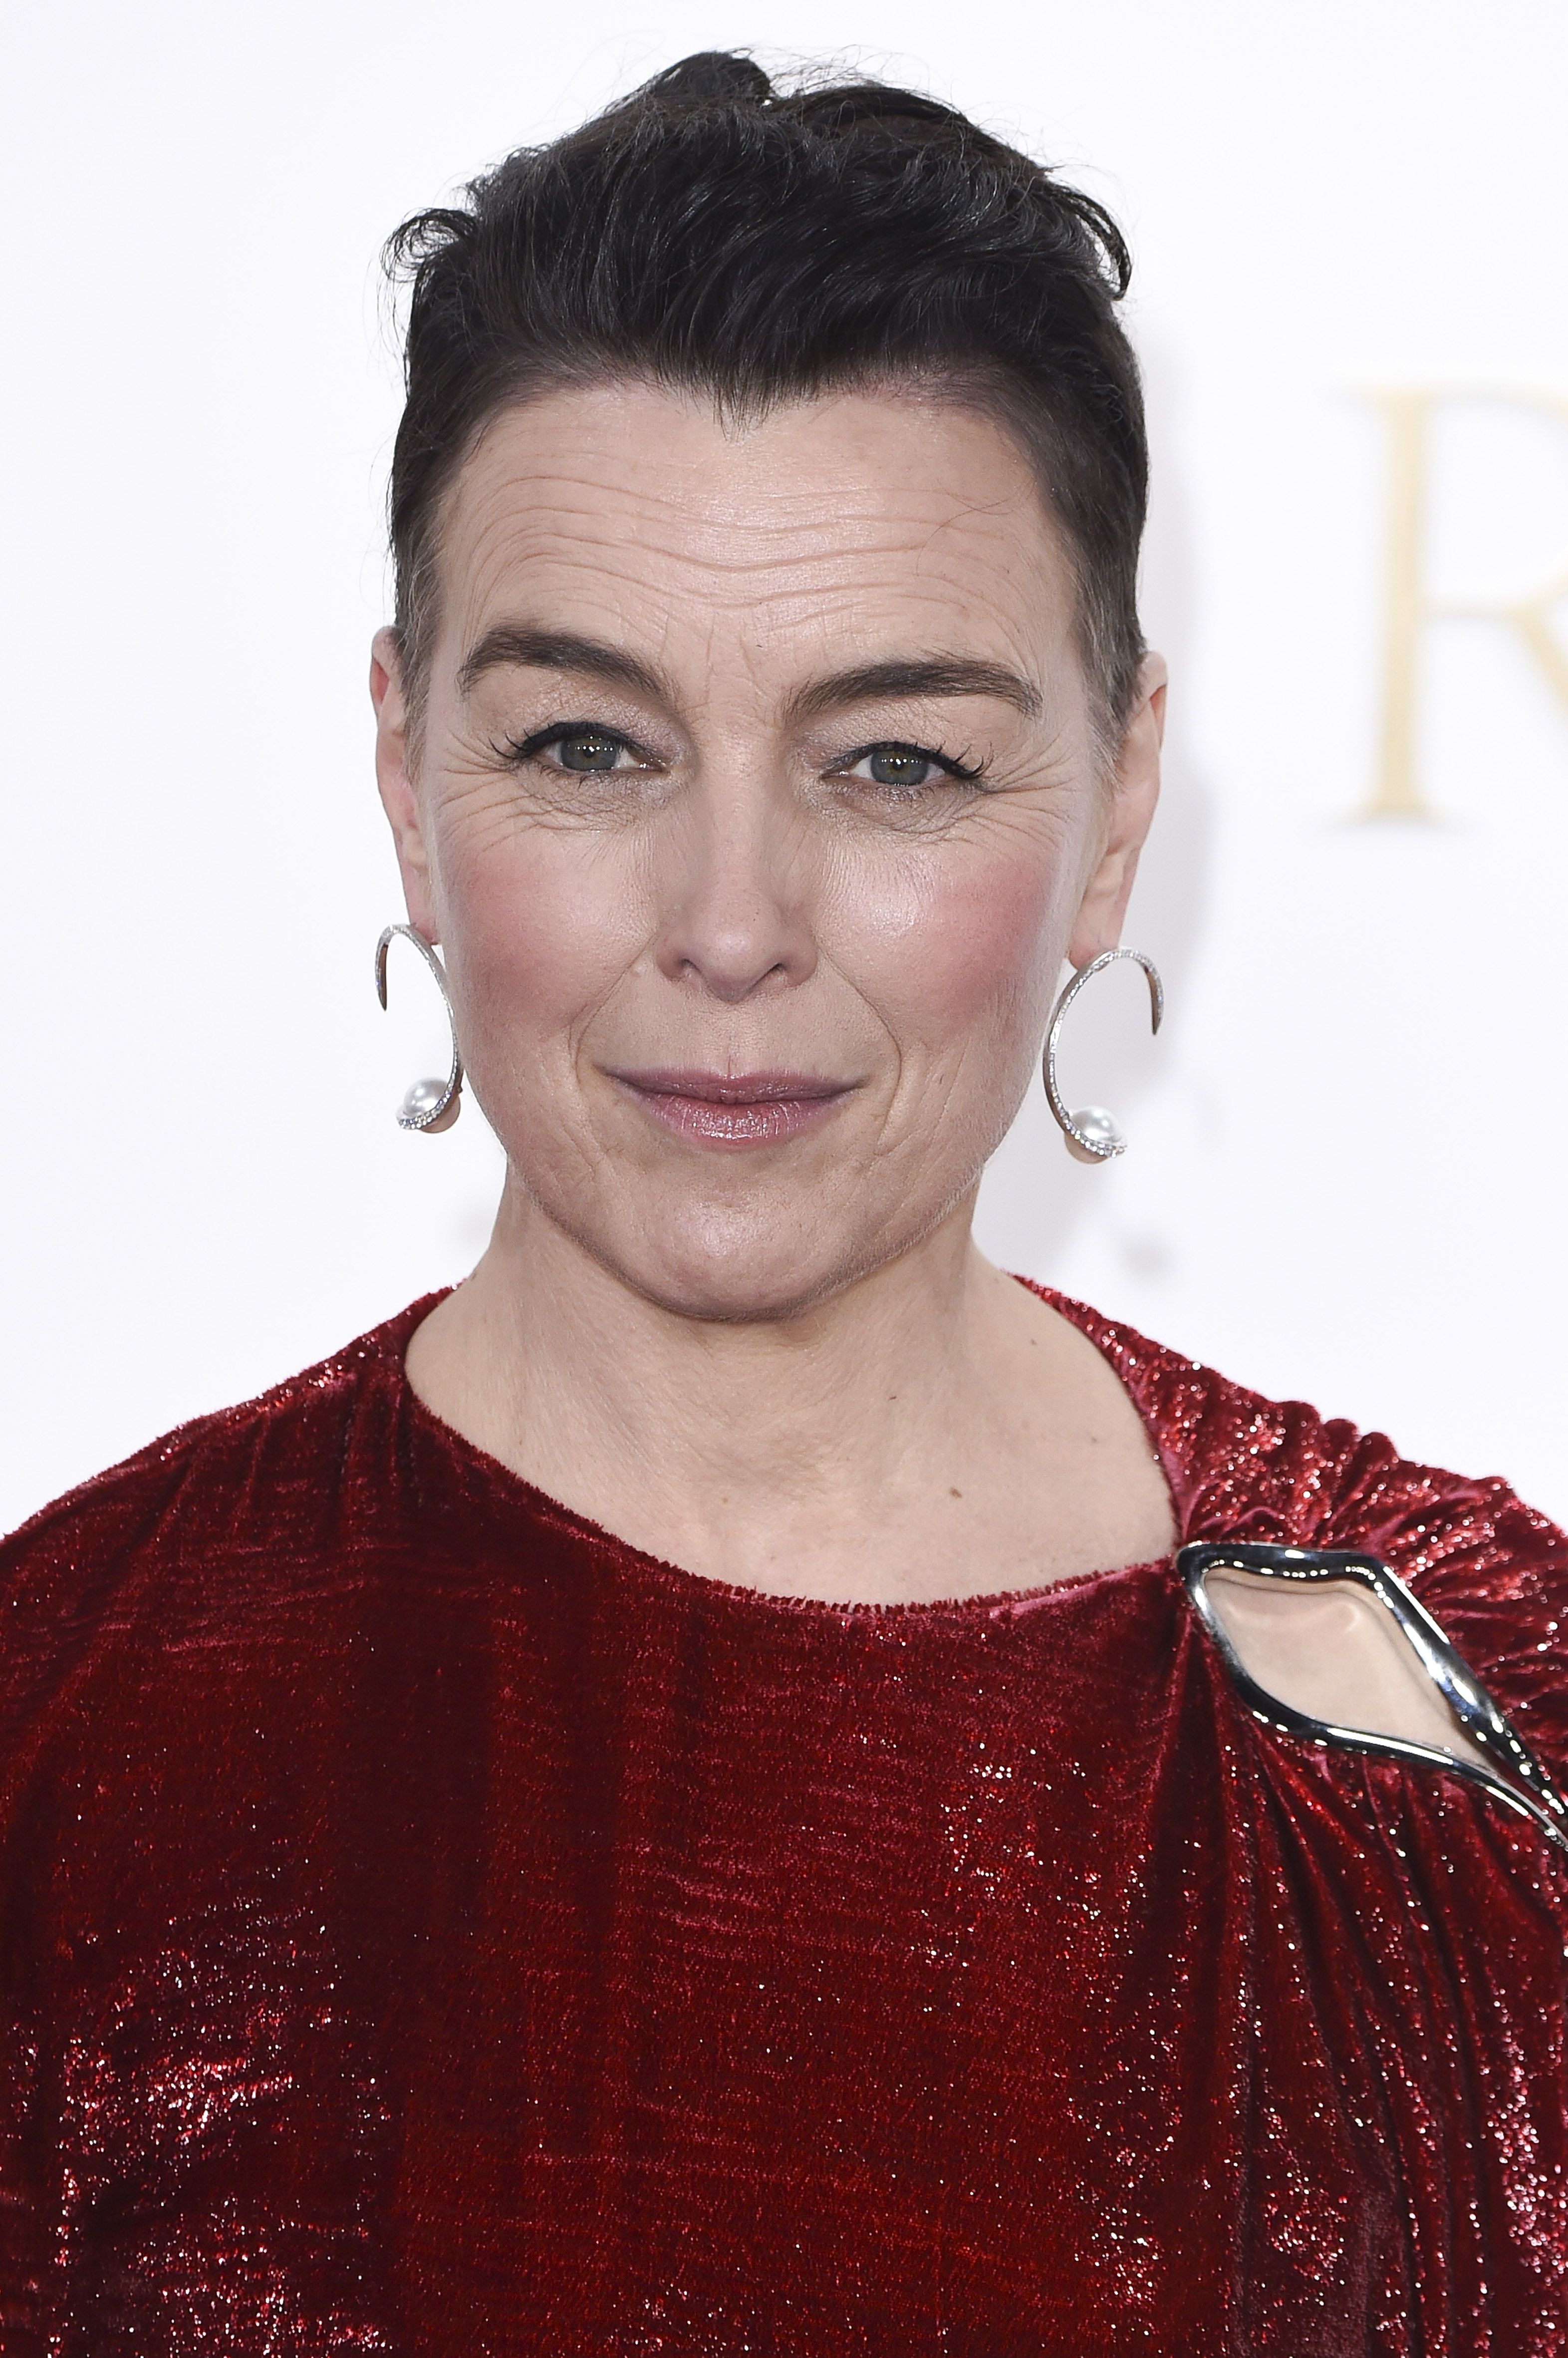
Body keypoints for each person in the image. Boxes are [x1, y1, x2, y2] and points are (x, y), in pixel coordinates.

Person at [1, 51, 1564, 2355]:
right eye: (587, 746)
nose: (731, 921)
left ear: (1118, 803)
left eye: (897, 760)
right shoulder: (62, 1737)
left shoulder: (1490, 1734)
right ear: (404, 776)